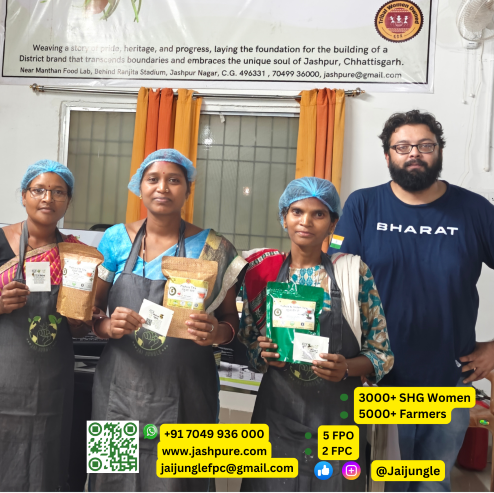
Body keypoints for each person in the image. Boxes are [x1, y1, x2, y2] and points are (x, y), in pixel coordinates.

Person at [328, 110, 494, 491]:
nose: (413, 153)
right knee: (377, 484)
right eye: (402, 146)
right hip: (378, 376)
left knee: (430, 486)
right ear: (387, 156)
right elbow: (337, 280)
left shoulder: (475, 211)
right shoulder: (364, 205)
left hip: (447, 380)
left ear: (439, 152)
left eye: (424, 145)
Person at [89, 149, 244, 492]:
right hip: (118, 395)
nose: (163, 188)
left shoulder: (215, 248)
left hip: (188, 394)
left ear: (187, 190)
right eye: (153, 179)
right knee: (111, 482)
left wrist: (216, 332)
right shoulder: (116, 238)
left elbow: (232, 323)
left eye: (174, 180)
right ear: (139, 187)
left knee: (182, 485)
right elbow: (93, 311)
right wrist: (106, 326)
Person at [239, 177, 393, 492]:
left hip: (338, 424)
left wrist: (347, 367)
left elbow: (382, 355)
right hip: (277, 421)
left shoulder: (353, 273)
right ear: (284, 217)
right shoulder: (264, 275)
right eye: (297, 211)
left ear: (332, 223)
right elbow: (249, 345)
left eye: (318, 214)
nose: (305, 221)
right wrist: (263, 353)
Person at [0, 159, 90, 491]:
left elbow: (80, 327)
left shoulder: (77, 254)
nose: (48, 198)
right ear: (24, 195)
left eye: (58, 192)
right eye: (39, 190)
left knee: (45, 461)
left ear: (68, 200)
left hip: (52, 382)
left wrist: (78, 321)